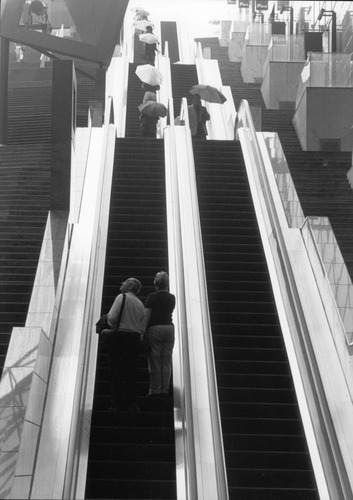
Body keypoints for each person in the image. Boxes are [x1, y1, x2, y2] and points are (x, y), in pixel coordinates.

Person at [105, 277, 145, 411]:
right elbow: (142, 323)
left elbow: (111, 318)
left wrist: (111, 325)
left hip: (120, 337)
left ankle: (116, 402)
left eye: (125, 282)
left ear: (131, 285)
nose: (122, 283)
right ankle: (131, 402)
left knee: (115, 370)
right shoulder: (140, 303)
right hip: (134, 339)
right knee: (131, 371)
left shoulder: (121, 297)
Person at [144, 271, 176, 397]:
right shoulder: (172, 297)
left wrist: (142, 330)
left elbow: (146, 315)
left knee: (155, 359)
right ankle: (165, 389)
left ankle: (155, 390)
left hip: (155, 328)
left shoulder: (151, 297)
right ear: (167, 284)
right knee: (167, 359)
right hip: (169, 327)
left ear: (155, 284)